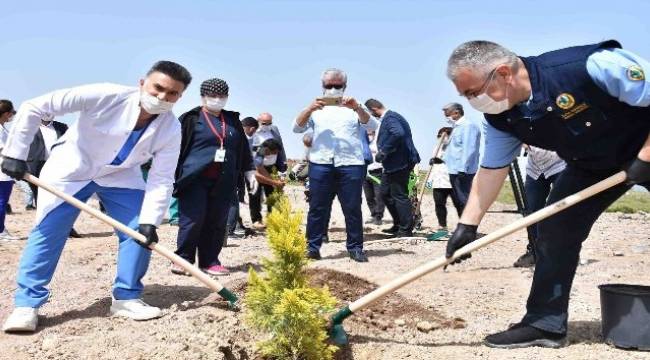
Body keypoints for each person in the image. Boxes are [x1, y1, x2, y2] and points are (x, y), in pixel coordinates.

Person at [445, 39, 650, 348]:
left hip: (644, 147)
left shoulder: (589, 66)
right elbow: (491, 170)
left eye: (474, 92)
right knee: (555, 230)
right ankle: (544, 322)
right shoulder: (501, 117)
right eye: (466, 96)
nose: (473, 101)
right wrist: (467, 225)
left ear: (503, 73)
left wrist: (646, 156)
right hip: (592, 166)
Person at [1, 61, 192, 333]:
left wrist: (151, 219)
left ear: (179, 97)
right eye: (157, 88)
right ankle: (27, 305)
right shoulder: (105, 95)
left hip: (120, 176)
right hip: (71, 171)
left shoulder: (171, 128)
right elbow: (36, 106)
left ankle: (126, 298)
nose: (162, 97)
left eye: (171, 94)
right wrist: (15, 153)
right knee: (49, 232)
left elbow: (161, 178)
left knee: (139, 232)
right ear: (142, 83)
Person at [173, 78, 256, 277]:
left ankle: (210, 261)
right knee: (192, 220)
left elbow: (242, 148)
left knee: (217, 222)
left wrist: (249, 171)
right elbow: (174, 149)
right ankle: (183, 259)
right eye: (212, 96)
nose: (217, 100)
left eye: (221, 96)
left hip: (224, 180)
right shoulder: (190, 118)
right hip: (195, 179)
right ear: (203, 97)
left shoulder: (233, 120)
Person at [293, 68, 377, 262]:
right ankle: (312, 247)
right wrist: (309, 109)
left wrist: (357, 107)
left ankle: (355, 248)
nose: (332, 89)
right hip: (321, 163)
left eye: (336, 86)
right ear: (322, 86)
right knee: (317, 207)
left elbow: (372, 126)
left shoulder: (355, 106)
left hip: (351, 164)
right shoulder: (316, 108)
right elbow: (296, 128)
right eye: (328, 86)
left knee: (352, 208)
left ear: (344, 86)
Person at [365, 98, 421, 237]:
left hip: (400, 162)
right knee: (385, 193)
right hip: (392, 165)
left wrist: (384, 151)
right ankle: (398, 224)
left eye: (371, 113)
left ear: (373, 110)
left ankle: (406, 229)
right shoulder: (391, 117)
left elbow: (398, 133)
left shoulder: (390, 118)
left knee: (399, 195)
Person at [25, 113, 82, 238]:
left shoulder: (62, 127)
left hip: (58, 166)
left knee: (62, 197)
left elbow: (72, 144)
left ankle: (67, 228)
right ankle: (45, 229)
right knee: (40, 199)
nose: (48, 114)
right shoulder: (30, 126)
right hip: (36, 167)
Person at [513, 145, 566, 268]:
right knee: (530, 209)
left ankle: (562, 251)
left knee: (562, 210)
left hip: (560, 163)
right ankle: (534, 251)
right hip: (535, 169)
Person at [249, 112, 286, 229]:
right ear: (258, 121)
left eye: (270, 123)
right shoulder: (252, 132)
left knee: (272, 193)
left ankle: (272, 219)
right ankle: (256, 220)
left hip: (272, 166)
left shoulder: (274, 130)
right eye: (265, 123)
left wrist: (282, 166)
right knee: (255, 194)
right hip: (255, 165)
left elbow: (281, 148)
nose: (268, 125)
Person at [441, 103, 481, 212]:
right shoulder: (456, 127)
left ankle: (470, 227)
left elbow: (469, 149)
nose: (446, 117)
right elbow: (453, 148)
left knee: (465, 200)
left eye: (447, 114)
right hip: (453, 169)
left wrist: (463, 169)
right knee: (459, 200)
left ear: (456, 112)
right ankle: (464, 226)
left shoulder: (468, 126)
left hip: (462, 171)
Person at [428, 127, 462, 230]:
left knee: (459, 204)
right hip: (439, 182)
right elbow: (433, 167)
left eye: (444, 136)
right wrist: (430, 181)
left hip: (453, 182)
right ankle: (442, 226)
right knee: (439, 204)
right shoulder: (436, 148)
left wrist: (442, 161)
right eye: (439, 136)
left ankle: (465, 226)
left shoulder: (457, 147)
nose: (441, 138)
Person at [0, 100, 18, 240]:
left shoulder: (3, 128)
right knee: (1, 201)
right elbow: (2, 149)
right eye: (11, 113)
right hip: (3, 171)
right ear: (6, 113)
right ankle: (0, 231)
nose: (11, 116)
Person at [362, 130, 384, 225]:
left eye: (371, 132)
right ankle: (374, 214)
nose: (369, 134)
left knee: (379, 195)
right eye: (367, 133)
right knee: (369, 197)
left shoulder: (378, 143)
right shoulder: (363, 144)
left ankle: (379, 216)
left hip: (377, 172)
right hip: (365, 173)